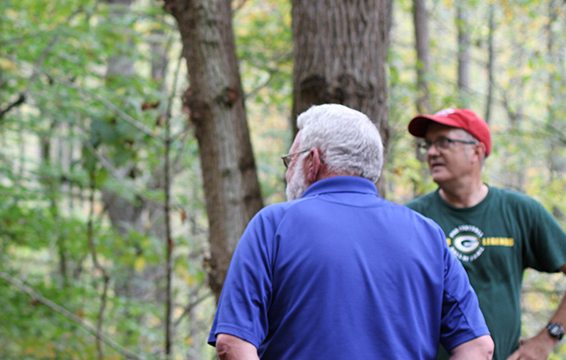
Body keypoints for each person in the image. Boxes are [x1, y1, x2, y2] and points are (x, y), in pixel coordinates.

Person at [207, 104, 494, 359]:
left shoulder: (273, 225)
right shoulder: (427, 233)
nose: (287, 171)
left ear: (313, 162)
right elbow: (479, 347)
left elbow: (232, 344)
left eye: (290, 159)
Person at [406, 108, 566, 360]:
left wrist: (547, 338)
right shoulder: (412, 218)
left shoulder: (520, 211)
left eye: (443, 142)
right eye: (428, 145)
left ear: (477, 151)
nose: (432, 152)